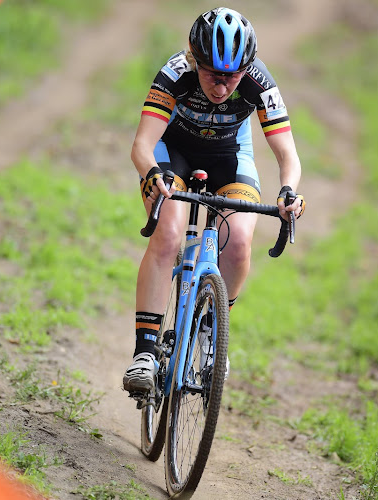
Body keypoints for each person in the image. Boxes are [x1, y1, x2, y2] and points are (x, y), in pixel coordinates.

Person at [122, 7, 306, 394]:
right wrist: (154, 175)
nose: (222, 88)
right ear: (194, 58)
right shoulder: (176, 73)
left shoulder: (259, 80)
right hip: (172, 152)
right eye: (212, 75)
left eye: (231, 77)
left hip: (229, 158)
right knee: (169, 233)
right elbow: (142, 145)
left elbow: (288, 156)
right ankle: (145, 352)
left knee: (238, 242)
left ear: (247, 68)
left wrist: (288, 191)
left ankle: (210, 335)